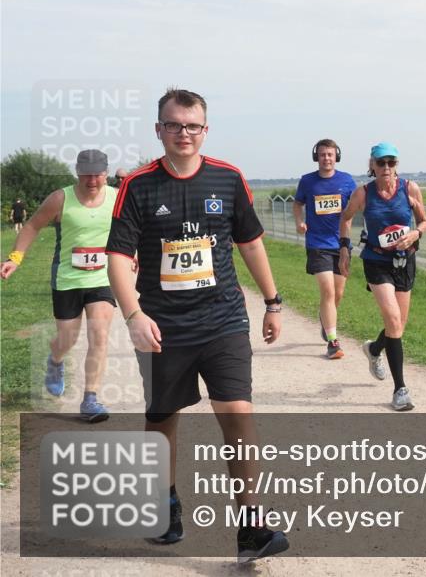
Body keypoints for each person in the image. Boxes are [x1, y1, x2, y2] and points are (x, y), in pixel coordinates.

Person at [105, 88, 289, 563]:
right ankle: (164, 502)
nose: (183, 133)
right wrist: (134, 315)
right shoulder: (139, 185)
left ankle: (251, 528)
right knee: (162, 419)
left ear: (205, 130)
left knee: (238, 417)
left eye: (193, 126)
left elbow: (250, 243)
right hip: (164, 326)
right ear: (159, 129)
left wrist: (272, 302)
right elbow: (118, 259)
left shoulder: (229, 179)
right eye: (174, 125)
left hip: (223, 319)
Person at [1, 151, 119, 422]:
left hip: (102, 277)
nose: (92, 180)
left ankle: (91, 399)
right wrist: (15, 259)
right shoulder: (60, 198)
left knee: (100, 333)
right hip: (67, 278)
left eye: (98, 174)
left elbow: (131, 229)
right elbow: (31, 227)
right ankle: (55, 361)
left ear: (106, 172)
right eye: (86, 174)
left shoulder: (116, 197)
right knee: (68, 339)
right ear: (77, 172)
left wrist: (133, 255)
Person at [338, 142, 426, 411]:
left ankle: (375, 349)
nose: (386, 168)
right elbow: (345, 219)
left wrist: (415, 233)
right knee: (392, 319)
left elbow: (424, 221)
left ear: (396, 165)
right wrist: (345, 249)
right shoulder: (363, 193)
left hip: (404, 260)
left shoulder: (410, 188)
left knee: (398, 324)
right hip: (376, 260)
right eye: (381, 163)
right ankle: (400, 390)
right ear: (372, 166)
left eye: (391, 162)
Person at [293, 139, 357, 359]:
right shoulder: (307, 181)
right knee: (328, 291)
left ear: (336, 156)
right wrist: (299, 222)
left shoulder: (347, 181)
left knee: (338, 293)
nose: (326, 158)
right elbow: (297, 204)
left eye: (330, 154)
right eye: (322, 155)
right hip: (317, 243)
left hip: (341, 244)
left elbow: (356, 205)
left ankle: (326, 321)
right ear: (316, 157)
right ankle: (333, 342)